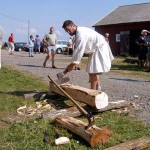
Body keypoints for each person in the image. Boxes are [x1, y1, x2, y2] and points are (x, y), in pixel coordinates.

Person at [62, 20, 114, 90]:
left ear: (73, 26)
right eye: (66, 31)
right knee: (92, 69)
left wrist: (73, 64)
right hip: (96, 49)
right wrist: (73, 63)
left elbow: (79, 49)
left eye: (68, 30)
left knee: (92, 72)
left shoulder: (80, 33)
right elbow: (79, 49)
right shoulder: (79, 32)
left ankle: (92, 93)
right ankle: (98, 88)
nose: (68, 32)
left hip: (99, 48)